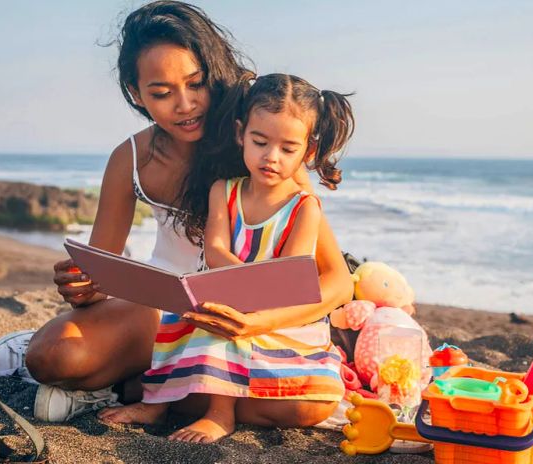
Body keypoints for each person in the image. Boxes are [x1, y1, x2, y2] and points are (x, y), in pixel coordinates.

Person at [0, 0, 352, 426]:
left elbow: (337, 280)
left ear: (214, 75)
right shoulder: (132, 158)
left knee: (305, 407)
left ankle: (132, 388)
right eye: (161, 93)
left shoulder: (259, 149)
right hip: (159, 311)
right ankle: (150, 383)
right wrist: (83, 285)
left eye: (195, 84)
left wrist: (256, 321)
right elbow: (102, 272)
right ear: (136, 94)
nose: (185, 105)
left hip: (245, 319)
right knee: (53, 356)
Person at [98, 73, 355, 443]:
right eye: (260, 141)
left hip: (275, 317)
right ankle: (164, 406)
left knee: (311, 391)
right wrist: (241, 286)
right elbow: (216, 249)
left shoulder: (304, 207)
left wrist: (252, 298)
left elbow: (291, 276)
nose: (271, 157)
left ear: (307, 153)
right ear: (240, 135)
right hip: (228, 296)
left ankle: (219, 411)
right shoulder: (225, 191)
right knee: (193, 318)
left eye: (287, 148)